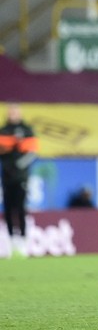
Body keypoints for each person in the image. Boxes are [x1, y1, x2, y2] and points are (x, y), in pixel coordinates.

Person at [0, 103, 39, 256]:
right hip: (6, 176)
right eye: (11, 112)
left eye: (15, 111)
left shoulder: (27, 130)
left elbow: (32, 153)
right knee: (8, 208)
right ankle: (10, 241)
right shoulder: (3, 130)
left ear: (19, 113)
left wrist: (18, 164)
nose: (13, 114)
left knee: (21, 208)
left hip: (21, 176)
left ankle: (23, 240)